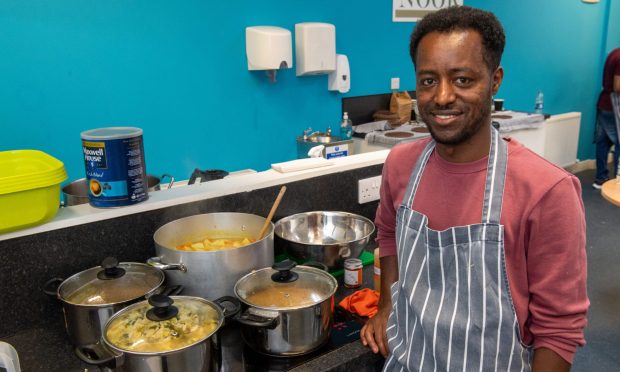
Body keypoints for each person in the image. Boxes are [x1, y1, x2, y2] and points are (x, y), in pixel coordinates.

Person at [360, 6, 588, 372]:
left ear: (495, 80)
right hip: (407, 361)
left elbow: (558, 330)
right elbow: (388, 235)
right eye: (428, 80)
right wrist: (387, 305)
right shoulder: (400, 165)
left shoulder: (548, 190)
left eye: (463, 79)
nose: (443, 96)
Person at [593, 47, 620, 189]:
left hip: (605, 104)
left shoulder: (614, 53)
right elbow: (618, 86)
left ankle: (601, 179)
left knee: (603, 142)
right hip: (614, 106)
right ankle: (618, 183)